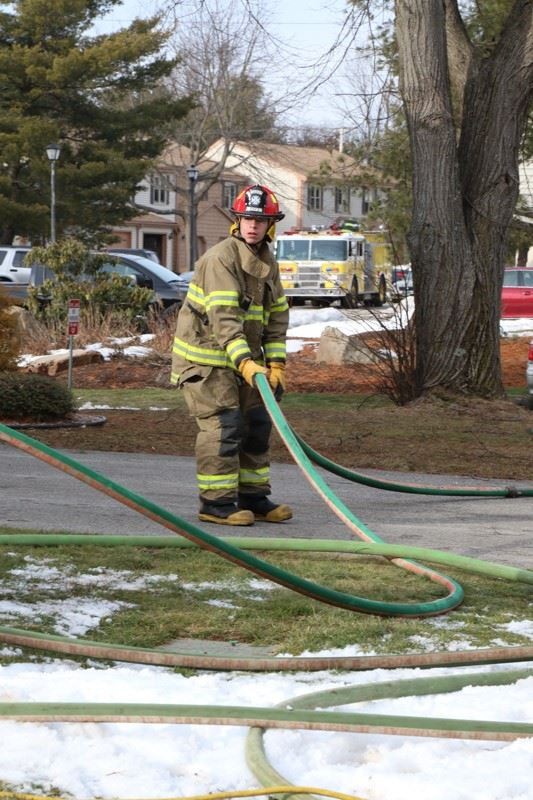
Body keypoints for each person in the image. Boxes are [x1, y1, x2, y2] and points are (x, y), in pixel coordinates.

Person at [171, 184, 292, 527]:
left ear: (271, 225)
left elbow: (277, 316)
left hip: (243, 363)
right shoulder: (221, 258)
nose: (253, 225)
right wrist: (247, 363)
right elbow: (225, 319)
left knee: (257, 425)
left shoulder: (268, 261)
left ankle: (253, 497)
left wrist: (276, 363)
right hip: (206, 362)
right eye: (247, 218)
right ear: (237, 221)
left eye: (260, 220)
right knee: (224, 427)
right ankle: (216, 504)